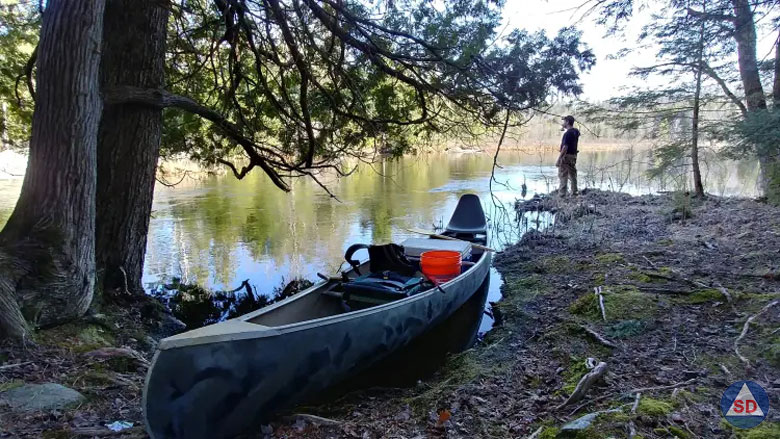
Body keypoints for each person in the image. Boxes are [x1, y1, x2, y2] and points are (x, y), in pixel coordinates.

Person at [556, 115, 580, 196]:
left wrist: (559, 158)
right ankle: (574, 192)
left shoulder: (567, 134)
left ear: (568, 122)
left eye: (564, 121)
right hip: (573, 156)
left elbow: (565, 147)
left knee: (563, 175)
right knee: (573, 175)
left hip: (566, 156)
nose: (563, 123)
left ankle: (562, 195)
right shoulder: (576, 132)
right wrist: (563, 127)